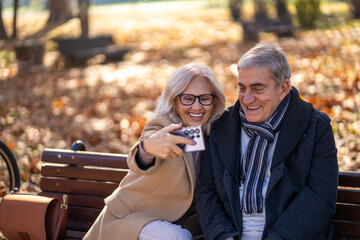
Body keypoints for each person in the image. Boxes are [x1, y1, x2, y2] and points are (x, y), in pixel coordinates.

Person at [195, 42, 339, 240]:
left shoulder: (315, 127)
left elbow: (320, 197)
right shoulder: (221, 128)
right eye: (242, 88)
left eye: (257, 89)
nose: (246, 99)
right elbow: (206, 192)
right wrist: (223, 236)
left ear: (283, 88)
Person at [83, 63, 225, 240]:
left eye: (204, 98)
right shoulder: (164, 126)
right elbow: (139, 155)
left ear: (215, 100)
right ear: (174, 99)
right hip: (129, 219)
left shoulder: (213, 133)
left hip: (176, 223)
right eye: (188, 98)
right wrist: (148, 148)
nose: (197, 107)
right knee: (177, 237)